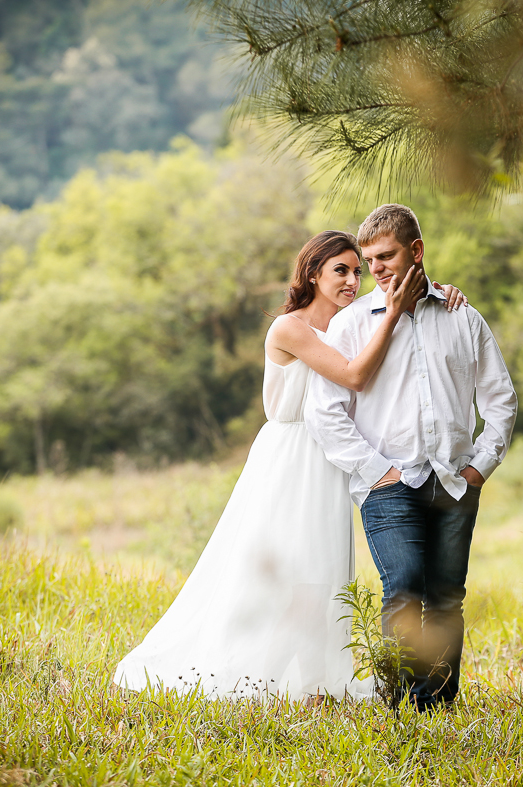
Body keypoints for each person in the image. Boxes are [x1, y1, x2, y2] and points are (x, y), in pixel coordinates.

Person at [112, 230, 466, 701]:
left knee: (321, 569)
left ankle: (315, 679)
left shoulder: (353, 321)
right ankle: (257, 669)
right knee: (282, 564)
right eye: (340, 270)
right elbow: (355, 375)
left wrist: (443, 295)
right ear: (312, 273)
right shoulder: (290, 328)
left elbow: (402, 341)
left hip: (332, 455)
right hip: (291, 454)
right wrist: (396, 311)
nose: (352, 280)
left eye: (356, 271)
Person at [306, 204, 517, 711]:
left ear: (416, 251)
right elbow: (325, 412)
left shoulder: (462, 316)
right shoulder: (353, 324)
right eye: (367, 260)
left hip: (454, 482)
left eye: (386, 256)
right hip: (388, 485)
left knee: (446, 596)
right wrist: (379, 472)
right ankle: (400, 706)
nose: (374, 269)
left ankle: (437, 706)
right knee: (402, 590)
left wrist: (478, 467)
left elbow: (500, 399)